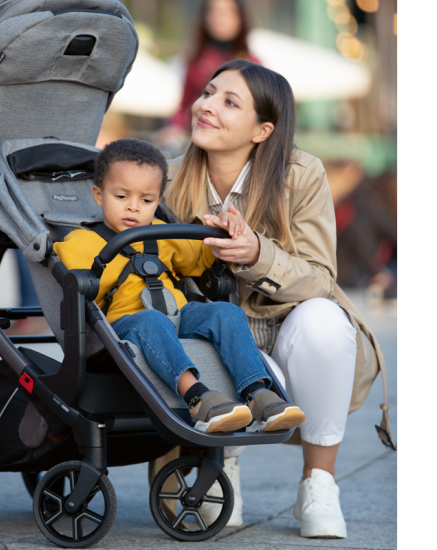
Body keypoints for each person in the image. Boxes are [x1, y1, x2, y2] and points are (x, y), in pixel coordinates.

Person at [161, 59, 393, 538]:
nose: (207, 106)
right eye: (207, 93)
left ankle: (319, 482)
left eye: (229, 102)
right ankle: (221, 466)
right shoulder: (167, 177)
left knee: (327, 321)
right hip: (209, 332)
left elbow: (320, 279)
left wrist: (256, 254)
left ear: (263, 129)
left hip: (284, 331)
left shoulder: (301, 174)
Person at [54, 138, 305, 434]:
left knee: (225, 313)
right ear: (99, 195)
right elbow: (78, 277)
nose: (133, 207)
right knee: (152, 320)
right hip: (125, 325)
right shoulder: (82, 242)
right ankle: (197, 397)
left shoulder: (165, 233)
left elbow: (201, 256)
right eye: (121, 197)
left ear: (158, 202)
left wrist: (225, 230)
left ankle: (258, 393)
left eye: (146, 201)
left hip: (180, 317)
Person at [157, 0, 260, 149]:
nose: (218, 17)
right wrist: (175, 128)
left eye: (226, 12)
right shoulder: (196, 59)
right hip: (195, 134)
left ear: (240, 18)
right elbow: (185, 103)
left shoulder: (251, 62)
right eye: (212, 11)